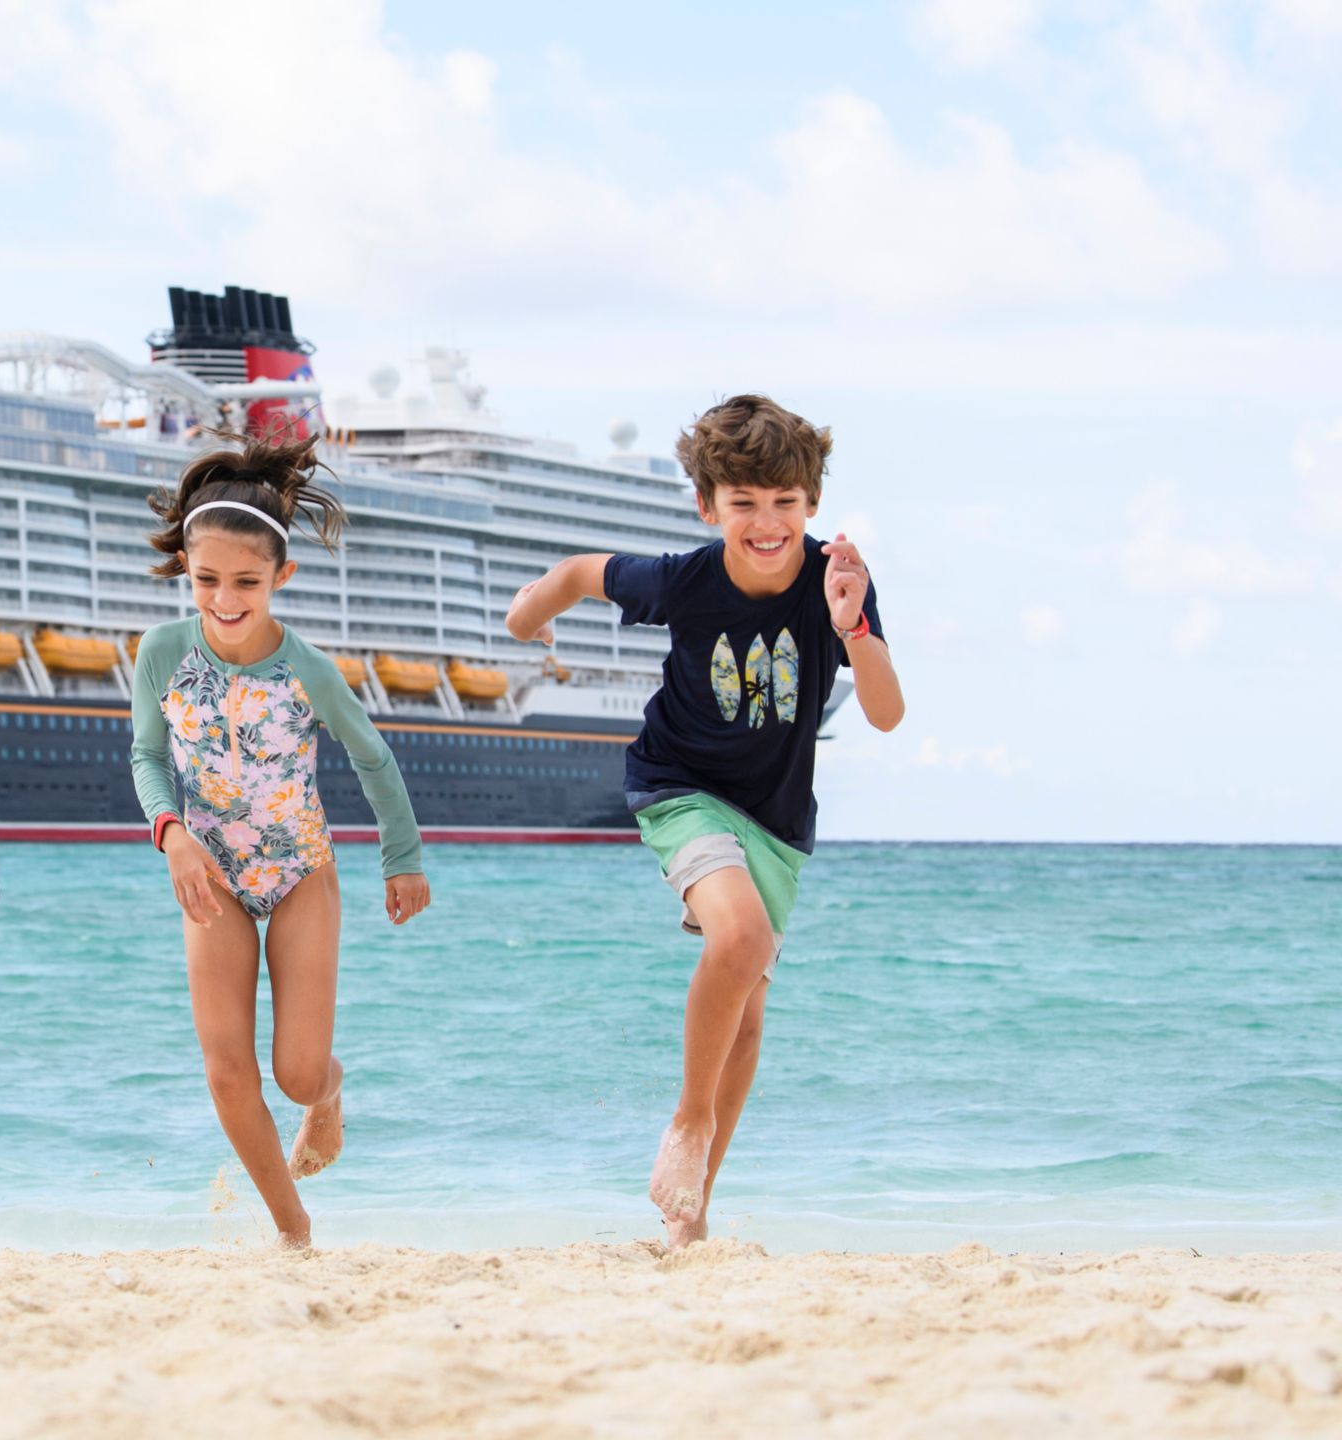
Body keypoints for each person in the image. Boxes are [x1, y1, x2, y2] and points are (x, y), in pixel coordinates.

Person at [503, 394, 905, 1249]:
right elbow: (582, 571)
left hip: (779, 820)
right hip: (678, 786)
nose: (767, 523)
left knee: (748, 1012)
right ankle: (688, 1120)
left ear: (812, 502)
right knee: (739, 941)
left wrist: (853, 625)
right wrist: (526, 613)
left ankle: (692, 1219)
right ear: (707, 506)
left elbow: (885, 713)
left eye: (785, 504)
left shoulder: (836, 580)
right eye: (744, 504)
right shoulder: (685, 578)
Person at [128, 431, 431, 1250]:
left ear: (281, 577)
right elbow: (147, 757)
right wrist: (173, 835)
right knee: (227, 1070)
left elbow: (373, 757)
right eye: (207, 581)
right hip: (210, 876)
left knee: (296, 1073)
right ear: (186, 574)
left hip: (300, 871)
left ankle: (328, 1099)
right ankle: (293, 1228)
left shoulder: (308, 670)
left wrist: (400, 857)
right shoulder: (160, 652)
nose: (225, 599)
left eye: (247, 583)